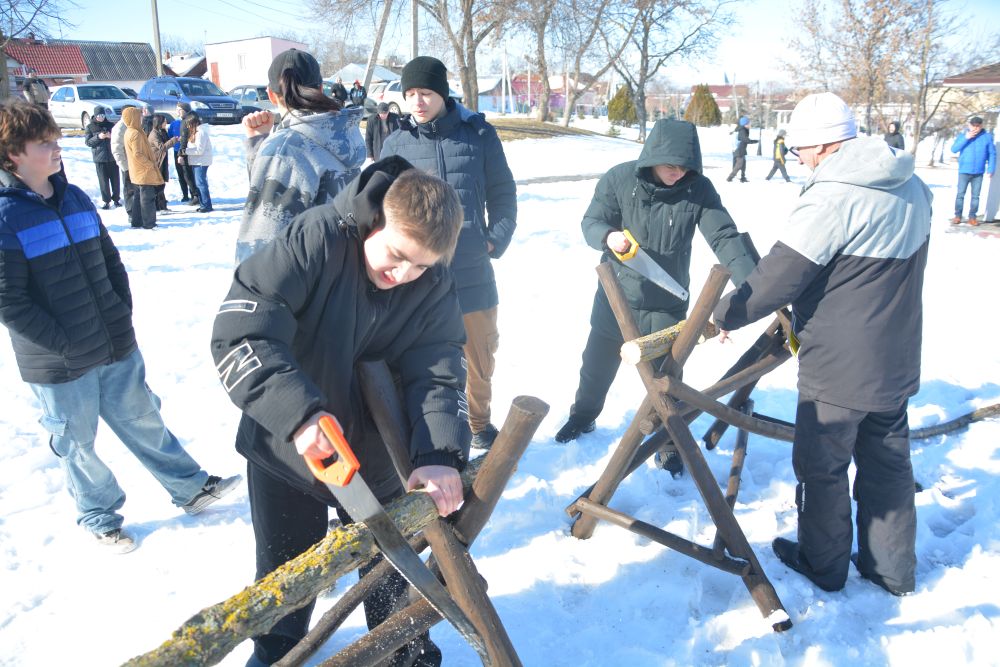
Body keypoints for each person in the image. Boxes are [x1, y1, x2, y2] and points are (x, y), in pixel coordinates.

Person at [211, 159, 467, 666]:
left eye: (420, 266)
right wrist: (298, 415)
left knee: (392, 577)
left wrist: (438, 452)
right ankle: (276, 655)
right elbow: (243, 331)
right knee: (287, 578)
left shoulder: (433, 282)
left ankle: (403, 654)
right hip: (288, 451)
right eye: (397, 256)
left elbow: (438, 369)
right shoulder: (316, 239)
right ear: (377, 221)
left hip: (378, 456)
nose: (404, 275)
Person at [712, 92, 932, 597]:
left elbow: (780, 277)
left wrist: (724, 314)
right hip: (897, 354)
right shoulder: (912, 184)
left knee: (822, 467)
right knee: (888, 463)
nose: (800, 160)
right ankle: (892, 571)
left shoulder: (833, 197)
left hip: (839, 364)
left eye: (800, 151)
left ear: (825, 145)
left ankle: (822, 563)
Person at [0, 99, 242, 554]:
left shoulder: (75, 197)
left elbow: (110, 260)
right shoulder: (6, 217)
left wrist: (119, 310)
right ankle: (99, 516)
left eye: (55, 139)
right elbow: (8, 300)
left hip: (113, 341)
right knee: (78, 444)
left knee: (144, 419)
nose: (57, 148)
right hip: (59, 364)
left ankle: (190, 488)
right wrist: (63, 343)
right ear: (13, 154)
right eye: (44, 143)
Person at [554, 119, 757, 443]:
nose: (678, 173)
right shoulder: (620, 179)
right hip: (616, 298)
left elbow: (723, 236)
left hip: (666, 303)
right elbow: (592, 221)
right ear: (652, 158)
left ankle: (667, 441)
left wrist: (754, 287)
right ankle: (582, 417)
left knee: (667, 380)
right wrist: (607, 236)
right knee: (595, 368)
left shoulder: (698, 189)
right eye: (670, 166)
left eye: (684, 167)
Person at [380, 55, 517, 450]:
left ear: (442, 92)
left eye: (425, 92)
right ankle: (425, 428)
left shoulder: (478, 135)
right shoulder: (396, 143)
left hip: (472, 270)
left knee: (480, 355)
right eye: (409, 94)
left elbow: (503, 192)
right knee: (419, 357)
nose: (417, 101)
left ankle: (478, 424)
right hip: (418, 274)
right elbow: (380, 204)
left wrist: (494, 239)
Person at [235, 48, 364, 262]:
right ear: (320, 89)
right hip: (341, 270)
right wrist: (260, 146)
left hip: (308, 278)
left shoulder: (286, 147)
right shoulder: (341, 135)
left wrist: (270, 149)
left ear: (270, 94)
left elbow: (262, 248)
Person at [950, 115, 996, 226]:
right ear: (969, 125)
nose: (975, 128)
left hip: (978, 172)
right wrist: (966, 138)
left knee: (975, 196)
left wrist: (990, 168)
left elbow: (992, 154)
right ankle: (957, 216)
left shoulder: (987, 137)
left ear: (981, 126)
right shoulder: (963, 135)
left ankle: (972, 217)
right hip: (964, 170)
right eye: (973, 125)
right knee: (960, 195)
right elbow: (954, 149)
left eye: (978, 126)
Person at [122, 106, 163, 229]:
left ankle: (136, 221)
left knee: (138, 198)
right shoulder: (135, 133)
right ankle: (149, 223)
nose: (141, 118)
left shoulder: (130, 131)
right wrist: (149, 164)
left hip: (137, 171)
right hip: (143, 171)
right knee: (147, 198)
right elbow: (138, 154)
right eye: (138, 116)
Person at [84, 106, 121, 209]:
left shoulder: (111, 125)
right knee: (103, 181)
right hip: (99, 158)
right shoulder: (90, 127)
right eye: (99, 116)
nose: (101, 117)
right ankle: (106, 201)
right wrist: (98, 137)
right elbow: (88, 142)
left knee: (115, 180)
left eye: (103, 115)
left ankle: (116, 199)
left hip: (112, 157)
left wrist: (110, 136)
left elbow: (117, 138)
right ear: (95, 116)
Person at [110, 112, 141, 227]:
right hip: (127, 165)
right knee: (129, 190)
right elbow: (117, 149)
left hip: (136, 164)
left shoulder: (132, 125)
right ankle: (131, 213)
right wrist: (125, 166)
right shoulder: (120, 127)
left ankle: (138, 212)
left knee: (137, 190)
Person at [183, 112, 214, 213]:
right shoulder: (195, 132)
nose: (187, 126)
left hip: (201, 162)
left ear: (194, 123)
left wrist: (185, 151)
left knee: (201, 183)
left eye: (189, 124)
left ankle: (206, 205)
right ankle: (203, 204)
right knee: (199, 183)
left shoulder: (201, 133)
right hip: (196, 161)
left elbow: (199, 150)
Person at [147, 113, 178, 212]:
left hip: (162, 160)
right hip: (157, 162)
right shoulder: (154, 134)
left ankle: (162, 205)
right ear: (159, 122)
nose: (166, 123)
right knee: (158, 185)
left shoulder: (161, 131)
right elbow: (162, 147)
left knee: (161, 184)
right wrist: (174, 140)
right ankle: (157, 206)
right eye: (164, 121)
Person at [168, 101, 197, 206]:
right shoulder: (174, 123)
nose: (177, 112)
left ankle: (194, 194)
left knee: (188, 174)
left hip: (186, 151)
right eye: (177, 110)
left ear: (185, 110)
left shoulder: (189, 121)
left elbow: (189, 137)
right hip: (177, 150)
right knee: (181, 174)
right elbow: (169, 135)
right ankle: (185, 195)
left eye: (179, 110)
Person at [726, 115, 758, 182]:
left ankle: (743, 177)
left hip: (739, 150)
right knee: (739, 164)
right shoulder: (742, 130)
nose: (750, 124)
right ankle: (730, 177)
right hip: (739, 150)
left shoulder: (741, 129)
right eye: (749, 123)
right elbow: (745, 140)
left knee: (743, 164)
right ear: (745, 124)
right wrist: (755, 141)